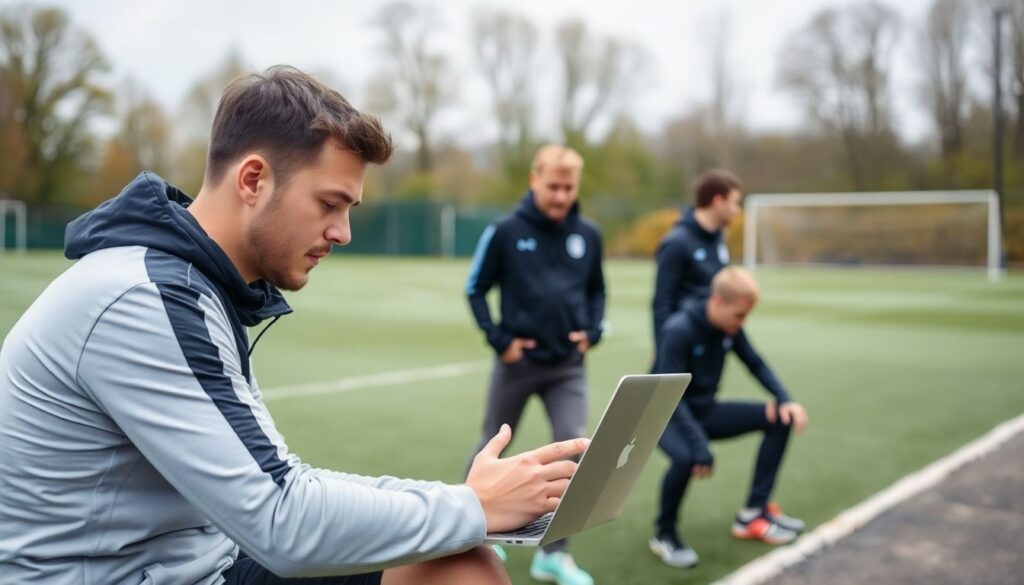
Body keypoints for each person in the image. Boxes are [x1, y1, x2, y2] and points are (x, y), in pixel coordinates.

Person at [0, 66, 590, 585]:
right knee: (457, 555)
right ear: (253, 180)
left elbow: (282, 484)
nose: (343, 232)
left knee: (458, 566)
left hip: (204, 564)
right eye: (329, 204)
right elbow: (280, 521)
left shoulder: (197, 288)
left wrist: (466, 501)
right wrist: (473, 507)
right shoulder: (144, 299)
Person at [464, 145, 606, 585]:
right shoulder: (505, 230)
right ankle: (472, 536)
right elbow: (475, 288)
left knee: (575, 449)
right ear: (534, 180)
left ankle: (553, 554)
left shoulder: (588, 234)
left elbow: (597, 290)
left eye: (569, 188)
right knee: (492, 446)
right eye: (553, 186)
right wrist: (500, 340)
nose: (561, 195)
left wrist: (592, 331)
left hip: (568, 367)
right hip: (518, 365)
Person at [648, 267, 809, 569]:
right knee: (686, 458)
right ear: (717, 302)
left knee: (780, 418)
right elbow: (670, 396)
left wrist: (785, 399)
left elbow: (755, 363)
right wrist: (700, 444)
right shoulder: (678, 330)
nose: (742, 322)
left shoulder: (729, 328)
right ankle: (664, 534)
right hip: (664, 413)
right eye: (739, 315)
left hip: (703, 411)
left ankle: (753, 514)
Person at [650, 169, 742, 357]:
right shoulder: (676, 242)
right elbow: (662, 301)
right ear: (718, 201)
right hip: (682, 346)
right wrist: (663, 348)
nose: (737, 210)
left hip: (710, 346)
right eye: (734, 203)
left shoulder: (718, 239)